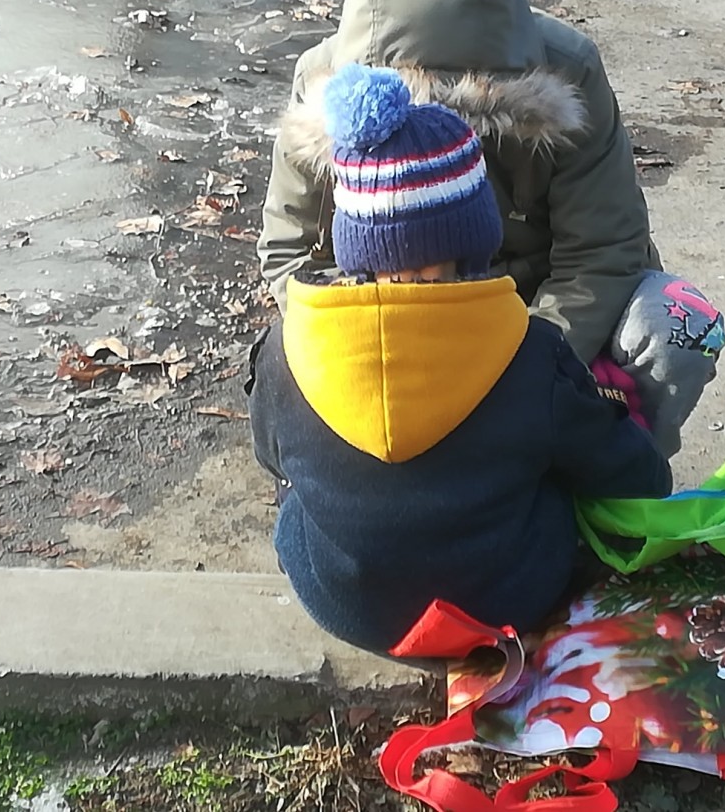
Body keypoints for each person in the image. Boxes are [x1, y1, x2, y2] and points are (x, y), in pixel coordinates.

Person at [258, 0, 724, 459]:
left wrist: (524, 373)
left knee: (678, 325)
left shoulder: (569, 72)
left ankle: (615, 475)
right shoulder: (326, 87)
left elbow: (602, 250)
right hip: (397, 312)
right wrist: (369, 359)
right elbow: (292, 253)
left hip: (537, 314)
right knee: (278, 357)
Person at [246, 65, 672, 653]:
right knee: (558, 483)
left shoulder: (287, 348)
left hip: (345, 605)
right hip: (501, 605)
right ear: (474, 236)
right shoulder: (528, 351)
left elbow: (270, 456)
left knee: (298, 502)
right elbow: (634, 478)